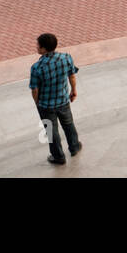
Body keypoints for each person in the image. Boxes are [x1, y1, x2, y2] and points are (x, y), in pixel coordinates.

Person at [29, 32, 82, 165]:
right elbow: (72, 76)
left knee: (52, 132)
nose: (36, 47)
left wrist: (37, 103)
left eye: (38, 45)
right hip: (63, 100)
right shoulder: (66, 58)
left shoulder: (37, 67)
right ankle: (74, 146)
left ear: (43, 49)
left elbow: (34, 89)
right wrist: (73, 90)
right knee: (69, 124)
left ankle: (58, 156)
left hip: (46, 105)